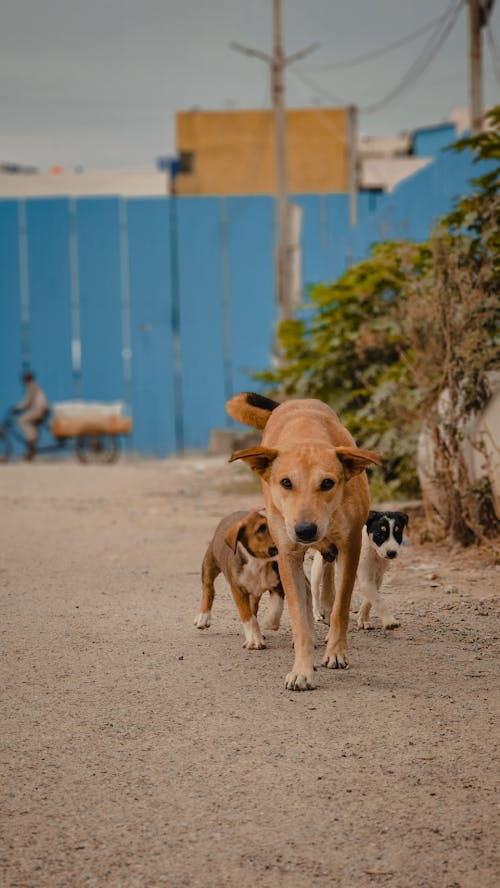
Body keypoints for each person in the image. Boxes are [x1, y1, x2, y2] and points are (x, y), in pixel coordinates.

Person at [11, 371, 49, 460]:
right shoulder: (35, 386)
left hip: (38, 410)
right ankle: (31, 449)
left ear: (26, 379)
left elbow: (28, 401)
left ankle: (31, 440)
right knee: (33, 425)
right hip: (40, 409)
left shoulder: (32, 387)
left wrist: (17, 408)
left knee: (22, 420)